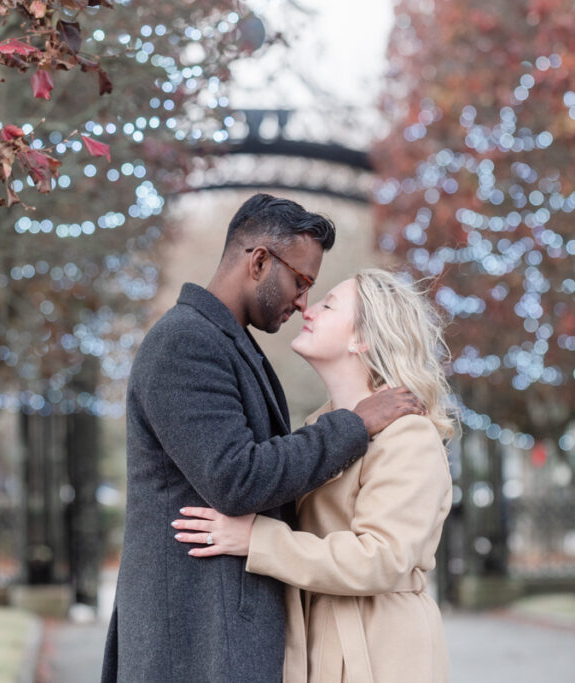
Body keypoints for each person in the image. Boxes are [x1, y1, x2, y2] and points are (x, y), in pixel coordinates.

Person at [101, 195, 424, 683]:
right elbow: (237, 477)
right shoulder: (184, 342)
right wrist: (353, 425)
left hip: (218, 638)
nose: (302, 302)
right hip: (194, 643)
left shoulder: (227, 342)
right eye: (301, 281)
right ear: (258, 261)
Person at [173, 268, 456, 683]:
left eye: (329, 304)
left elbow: (383, 558)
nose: (308, 307)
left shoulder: (408, 434)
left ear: (363, 339)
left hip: (382, 652)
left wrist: (257, 540)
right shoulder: (318, 428)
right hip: (317, 641)